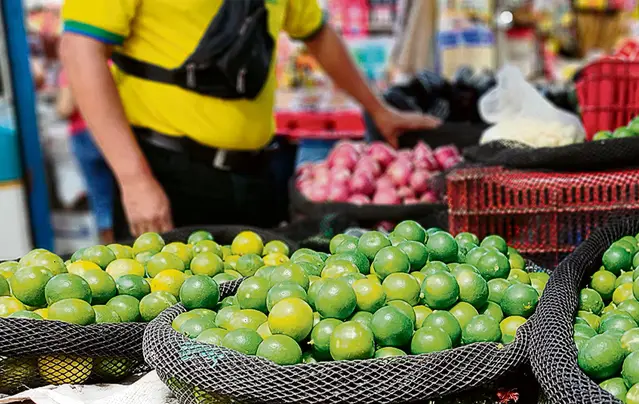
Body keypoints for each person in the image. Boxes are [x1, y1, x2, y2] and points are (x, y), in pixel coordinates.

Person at [58, 0, 439, 237]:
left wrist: (379, 110)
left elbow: (318, 33)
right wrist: (134, 180)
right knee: (166, 323)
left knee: (254, 322)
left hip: (256, 177)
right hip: (166, 174)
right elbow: (80, 50)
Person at [56, 67, 117, 244]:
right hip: (115, 133)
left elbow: (65, 108)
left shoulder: (75, 65)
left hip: (84, 135)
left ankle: (111, 251)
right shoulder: (115, 63)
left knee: (100, 197)